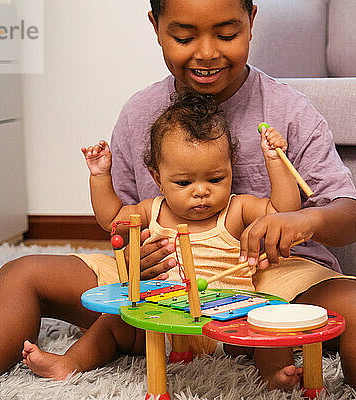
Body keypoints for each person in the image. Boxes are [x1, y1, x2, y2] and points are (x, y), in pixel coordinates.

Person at [0, 0, 356, 399]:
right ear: (155, 27)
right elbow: (124, 222)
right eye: (184, 36)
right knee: (23, 272)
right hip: (168, 287)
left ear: (253, 22)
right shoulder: (141, 115)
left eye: (227, 33)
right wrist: (133, 251)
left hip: (272, 282)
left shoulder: (290, 112)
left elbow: (350, 217)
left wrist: (303, 223)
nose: (206, 53)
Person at [22, 90, 322, 386]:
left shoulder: (236, 210)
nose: (201, 190)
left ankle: (273, 376)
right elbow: (112, 219)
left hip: (229, 324)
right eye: (184, 182)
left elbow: (284, 211)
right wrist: (100, 176)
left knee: (270, 325)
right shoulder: (150, 211)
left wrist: (274, 160)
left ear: (231, 167)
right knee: (112, 323)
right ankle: (69, 363)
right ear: (157, 179)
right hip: (163, 323)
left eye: (215, 179)